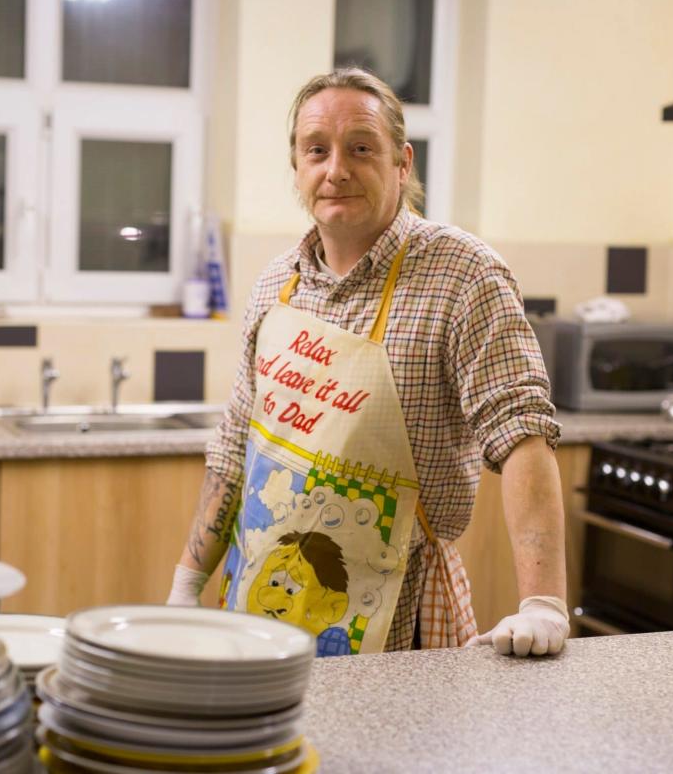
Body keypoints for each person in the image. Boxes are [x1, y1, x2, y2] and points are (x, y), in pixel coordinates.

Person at [167, 68, 569, 658]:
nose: (337, 170)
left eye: (361, 148)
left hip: (397, 624)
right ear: (298, 168)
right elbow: (235, 449)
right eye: (317, 151)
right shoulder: (277, 285)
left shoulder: (463, 275)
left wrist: (544, 603)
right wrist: (186, 585)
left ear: (402, 163)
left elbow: (521, 434)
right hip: (260, 608)